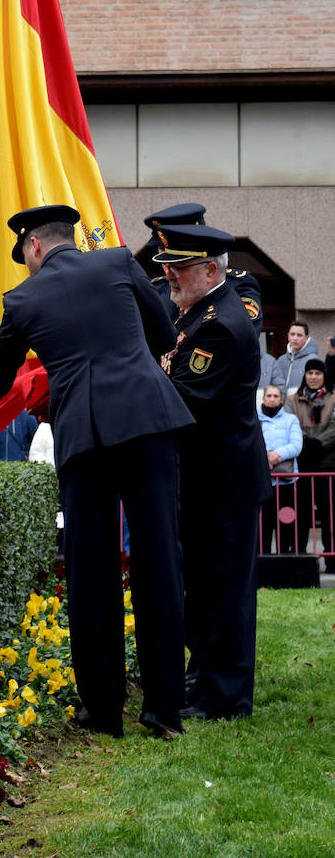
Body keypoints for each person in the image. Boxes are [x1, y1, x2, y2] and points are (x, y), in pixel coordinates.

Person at [0, 204, 195, 740]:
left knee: (91, 572)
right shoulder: (119, 262)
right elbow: (165, 337)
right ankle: (164, 709)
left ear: (34, 248)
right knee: (159, 558)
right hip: (148, 420)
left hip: (86, 435)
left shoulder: (21, 299)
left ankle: (103, 709)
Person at [152, 222, 272, 721]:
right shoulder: (199, 313)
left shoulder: (219, 323)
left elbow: (182, 398)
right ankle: (203, 679)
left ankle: (225, 698)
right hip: (206, 481)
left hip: (224, 484)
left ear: (210, 269)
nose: (170, 277)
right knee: (203, 589)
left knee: (225, 593)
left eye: (179, 268)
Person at [143, 202, 263, 334]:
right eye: (162, 249)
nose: (167, 258)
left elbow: (242, 335)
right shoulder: (157, 289)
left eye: (176, 254)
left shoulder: (236, 285)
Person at [286, 359, 335, 558]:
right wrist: (305, 443)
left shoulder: (333, 398)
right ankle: (300, 555)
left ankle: (331, 557)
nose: (313, 377)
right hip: (302, 466)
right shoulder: (292, 400)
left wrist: (318, 444)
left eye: (318, 373)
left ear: (324, 376)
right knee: (301, 514)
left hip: (327, 465)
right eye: (310, 373)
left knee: (329, 514)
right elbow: (290, 425)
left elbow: (334, 428)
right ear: (305, 376)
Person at [257, 384, 302, 555]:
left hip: (287, 481)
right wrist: (266, 456)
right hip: (263, 480)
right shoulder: (254, 418)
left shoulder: (291, 420)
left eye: (276, 396)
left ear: (281, 399)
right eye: (269, 395)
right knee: (264, 523)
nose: (272, 399)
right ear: (263, 398)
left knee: (286, 522)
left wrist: (276, 455)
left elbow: (297, 445)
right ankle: (264, 559)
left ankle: (285, 557)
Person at [272, 321, 319, 397]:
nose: (295, 338)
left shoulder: (313, 360)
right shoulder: (281, 360)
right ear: (288, 336)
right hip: (283, 406)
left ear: (307, 338)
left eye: (299, 335)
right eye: (292, 334)